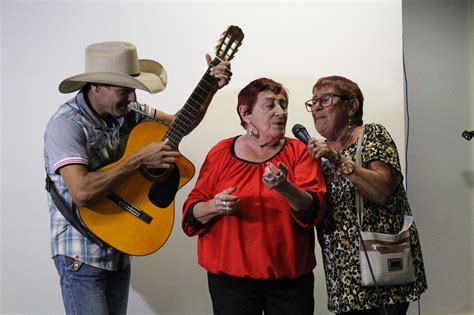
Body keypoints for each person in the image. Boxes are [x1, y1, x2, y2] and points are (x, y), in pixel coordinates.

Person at [43, 41, 231, 314]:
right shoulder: (67, 125)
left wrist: (210, 88)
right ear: (97, 85)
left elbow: (179, 123)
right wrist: (138, 159)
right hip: (80, 254)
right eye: (125, 90)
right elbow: (81, 192)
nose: (132, 97)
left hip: (119, 248)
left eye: (133, 89)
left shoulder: (129, 112)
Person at [181, 77, 326, 315]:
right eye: (270, 105)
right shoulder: (220, 152)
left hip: (289, 283)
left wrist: (285, 187)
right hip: (231, 283)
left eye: (284, 105)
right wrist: (213, 206)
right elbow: (190, 215)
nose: (281, 112)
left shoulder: (299, 151)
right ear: (246, 113)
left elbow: (315, 211)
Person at [304, 75, 427, 314]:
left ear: (352, 106)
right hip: (343, 275)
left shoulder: (372, 135)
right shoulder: (317, 153)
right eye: (313, 101)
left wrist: (337, 158)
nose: (316, 106)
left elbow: (382, 191)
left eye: (326, 99)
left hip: (383, 269)